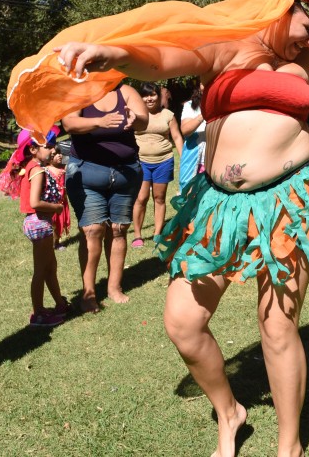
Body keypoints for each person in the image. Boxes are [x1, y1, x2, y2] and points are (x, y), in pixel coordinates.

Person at [6, 0, 309, 457]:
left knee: (277, 326)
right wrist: (112, 54)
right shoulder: (223, 45)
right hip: (215, 205)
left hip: (289, 202)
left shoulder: (305, 65)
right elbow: (163, 58)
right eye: (307, 26)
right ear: (283, 7)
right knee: (183, 322)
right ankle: (231, 413)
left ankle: (288, 447)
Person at [62, 83, 148, 312]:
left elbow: (144, 121)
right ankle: (88, 294)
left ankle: (114, 288)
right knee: (93, 230)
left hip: (126, 172)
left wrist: (134, 119)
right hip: (87, 171)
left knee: (119, 229)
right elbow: (69, 123)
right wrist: (98, 121)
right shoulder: (80, 91)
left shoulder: (126, 91)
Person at [0, 126, 71, 326]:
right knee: (41, 270)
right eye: (47, 146)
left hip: (39, 223)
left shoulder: (31, 166)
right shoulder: (37, 170)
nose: (52, 150)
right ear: (33, 149)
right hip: (38, 222)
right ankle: (38, 313)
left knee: (50, 267)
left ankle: (59, 303)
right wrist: (56, 207)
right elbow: (35, 203)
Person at [132, 82, 183, 248]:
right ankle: (137, 235)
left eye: (152, 94)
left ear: (159, 96)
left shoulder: (168, 115)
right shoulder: (136, 115)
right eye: (145, 95)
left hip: (164, 161)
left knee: (159, 198)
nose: (149, 99)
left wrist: (184, 159)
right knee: (141, 198)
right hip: (141, 162)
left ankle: (157, 233)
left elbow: (176, 137)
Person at [178, 82, 206, 193]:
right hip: (194, 159)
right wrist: (204, 113)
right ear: (200, 85)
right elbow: (185, 130)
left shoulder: (224, 104)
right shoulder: (190, 105)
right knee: (189, 196)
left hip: (216, 159)